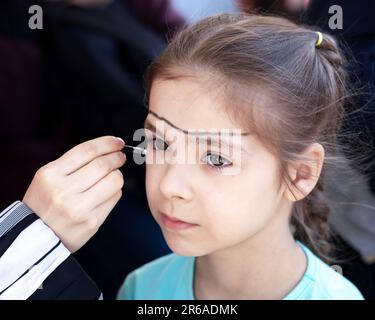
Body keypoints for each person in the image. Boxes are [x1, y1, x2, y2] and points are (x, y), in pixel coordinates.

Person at [0, 13, 365, 299]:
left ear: (300, 174)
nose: (170, 185)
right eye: (159, 143)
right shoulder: (142, 287)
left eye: (217, 159)